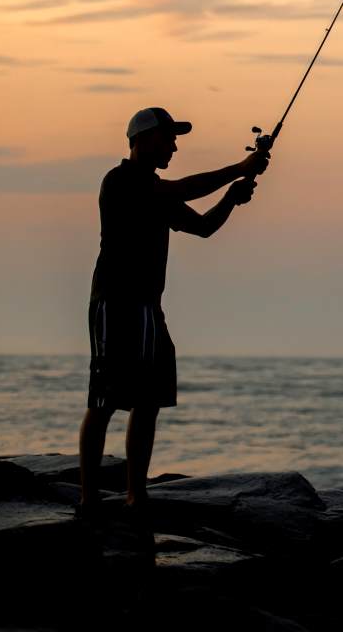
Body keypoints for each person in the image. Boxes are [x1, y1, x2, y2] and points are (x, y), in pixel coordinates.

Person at [76, 107, 268, 525]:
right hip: (115, 303)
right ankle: (90, 500)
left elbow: (202, 228)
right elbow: (181, 190)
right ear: (142, 139)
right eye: (168, 138)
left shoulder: (157, 192)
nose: (175, 145)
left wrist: (232, 198)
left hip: (149, 307)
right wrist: (239, 167)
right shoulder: (122, 181)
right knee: (105, 401)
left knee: (148, 402)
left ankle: (135, 496)